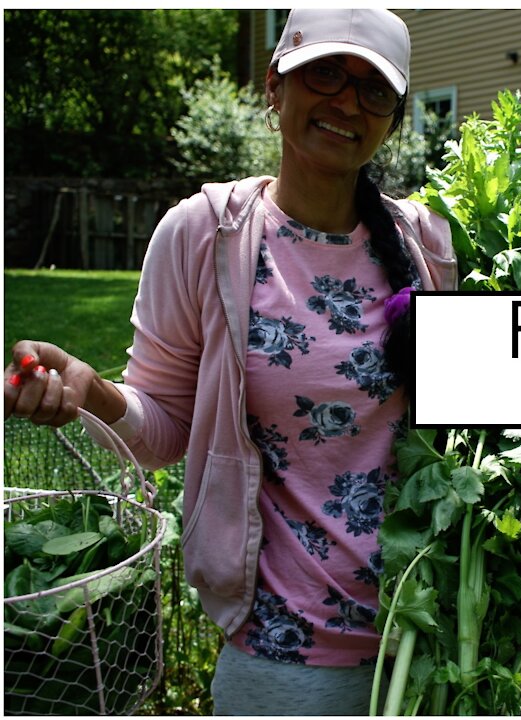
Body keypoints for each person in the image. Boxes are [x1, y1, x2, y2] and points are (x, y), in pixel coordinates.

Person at [4, 9, 455, 715]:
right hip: (284, 657)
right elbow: (163, 433)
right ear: (275, 87)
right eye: (326, 73)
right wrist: (93, 391)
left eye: (374, 92)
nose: (346, 103)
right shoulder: (207, 235)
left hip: (436, 646)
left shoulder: (431, 247)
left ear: (392, 122)